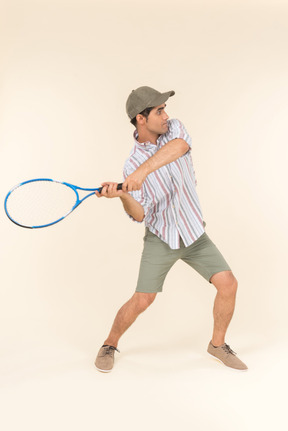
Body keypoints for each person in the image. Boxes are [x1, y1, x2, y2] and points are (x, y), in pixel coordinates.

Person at [94, 86, 247, 372]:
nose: (166, 115)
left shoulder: (175, 130)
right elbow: (139, 215)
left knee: (229, 283)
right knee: (142, 300)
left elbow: (179, 148)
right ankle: (109, 344)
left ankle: (217, 344)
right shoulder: (131, 164)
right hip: (161, 237)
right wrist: (124, 195)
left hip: (193, 232)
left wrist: (143, 172)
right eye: (159, 111)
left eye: (165, 109)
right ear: (141, 118)